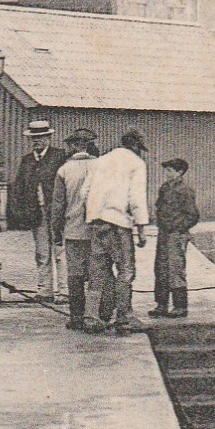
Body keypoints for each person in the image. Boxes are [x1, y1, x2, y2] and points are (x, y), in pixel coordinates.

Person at [84, 129, 150, 336]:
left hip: (95, 222)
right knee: (126, 270)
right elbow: (136, 198)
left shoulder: (99, 161)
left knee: (97, 271)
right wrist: (141, 228)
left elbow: (83, 192)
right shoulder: (137, 164)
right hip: (118, 224)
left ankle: (90, 317)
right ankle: (124, 316)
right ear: (137, 147)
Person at [6, 120, 68, 301]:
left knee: (60, 251)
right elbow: (19, 188)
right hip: (36, 213)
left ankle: (64, 291)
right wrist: (21, 212)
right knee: (42, 253)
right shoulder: (27, 161)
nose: (37, 141)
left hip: (57, 213)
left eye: (41, 137)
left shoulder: (59, 157)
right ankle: (45, 291)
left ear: (49, 138)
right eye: (34, 138)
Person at [48, 130, 99, 330]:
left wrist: (56, 230)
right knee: (98, 272)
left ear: (74, 146)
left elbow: (58, 205)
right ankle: (98, 314)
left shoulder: (64, 170)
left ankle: (77, 316)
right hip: (97, 229)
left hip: (73, 230)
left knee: (75, 274)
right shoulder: (100, 166)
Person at [150, 158, 199, 319]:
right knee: (161, 268)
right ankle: (161, 304)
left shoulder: (185, 190)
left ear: (179, 172)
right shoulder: (164, 188)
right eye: (166, 170)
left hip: (176, 235)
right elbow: (159, 208)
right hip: (163, 234)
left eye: (170, 170)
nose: (167, 173)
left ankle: (180, 306)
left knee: (175, 269)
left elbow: (192, 215)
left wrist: (178, 228)